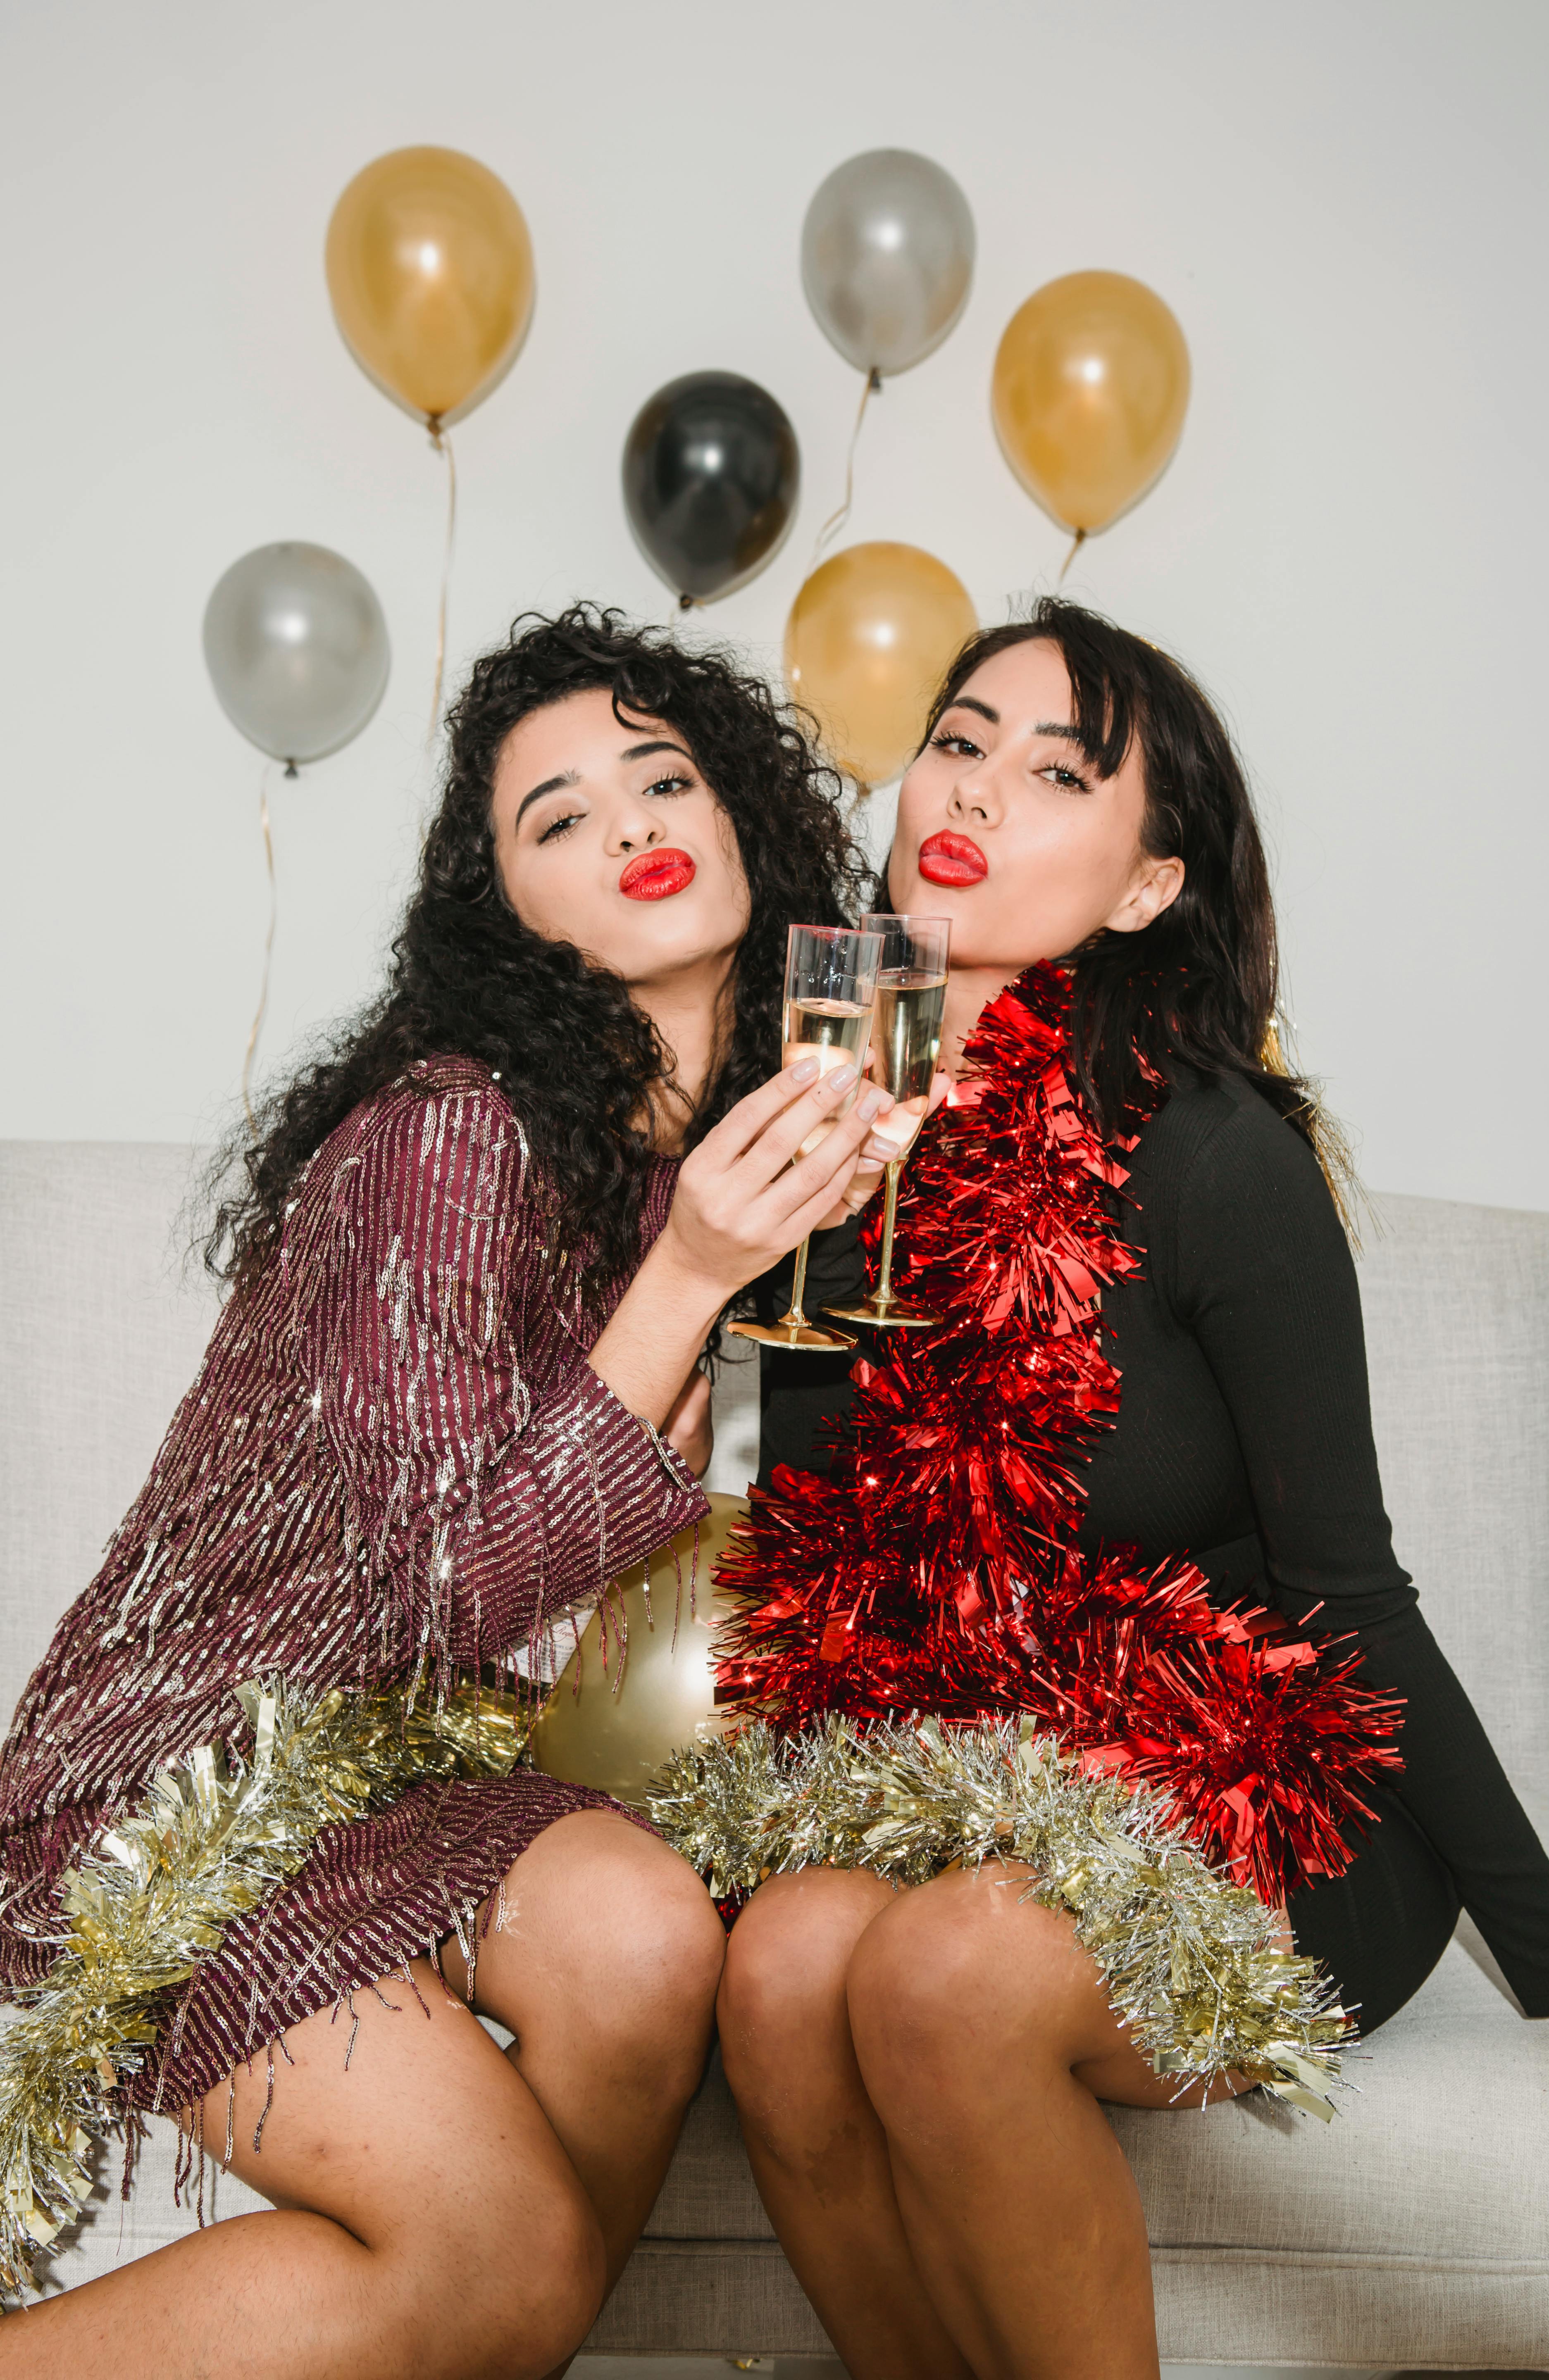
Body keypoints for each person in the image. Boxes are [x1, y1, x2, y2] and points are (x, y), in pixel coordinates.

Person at [0, 605, 898, 2380]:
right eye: (555, 819)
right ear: (514, 920)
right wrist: (692, 1280)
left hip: (417, 1758)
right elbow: (445, 1589)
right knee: (499, 2256)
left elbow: (727, 1560)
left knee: (650, 1940)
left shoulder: (699, 1163)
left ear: (745, 826)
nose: (630, 823)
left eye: (662, 777)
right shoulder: (451, 1128)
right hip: (195, 1780)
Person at [716, 599, 1549, 2380]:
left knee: (939, 1978)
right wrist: (792, 1233)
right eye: (960, 743)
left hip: (1267, 1793)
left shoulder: (1210, 1151)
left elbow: (1351, 1583)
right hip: (981, 1784)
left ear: (1140, 890)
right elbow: (822, 1567)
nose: (979, 788)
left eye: (1059, 775)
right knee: (788, 1964)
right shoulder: (812, 1134)